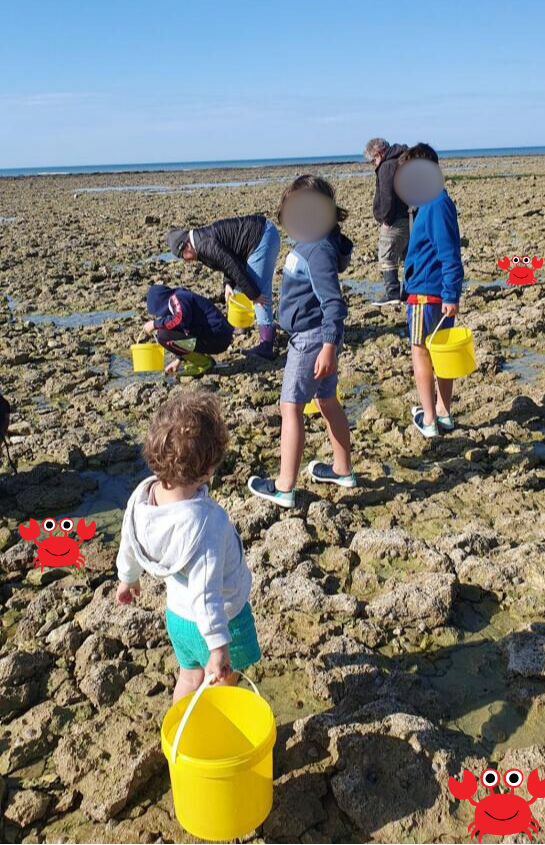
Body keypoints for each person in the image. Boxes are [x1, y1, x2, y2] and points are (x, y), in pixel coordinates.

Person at [115, 390, 260, 703]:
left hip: (178, 619)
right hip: (221, 621)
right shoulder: (208, 523)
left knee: (190, 676)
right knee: (220, 686)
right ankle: (209, 741)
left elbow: (129, 539)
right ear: (208, 470)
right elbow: (206, 593)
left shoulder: (143, 497)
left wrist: (128, 578)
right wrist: (219, 645)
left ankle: (178, 724)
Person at [248, 176, 356, 509]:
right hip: (311, 338)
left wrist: (328, 346)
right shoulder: (310, 244)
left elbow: (334, 303)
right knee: (326, 401)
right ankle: (342, 470)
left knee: (290, 407)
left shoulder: (320, 249)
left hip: (311, 340)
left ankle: (283, 487)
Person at [398, 143, 464, 438]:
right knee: (440, 353)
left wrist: (451, 294)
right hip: (433, 292)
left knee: (421, 352)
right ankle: (442, 412)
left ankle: (429, 419)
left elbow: (450, 254)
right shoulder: (431, 202)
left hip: (428, 294)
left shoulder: (435, 203)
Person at [166, 214, 280, 360]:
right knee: (242, 288)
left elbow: (231, 264)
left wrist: (254, 295)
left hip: (262, 237)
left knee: (258, 293)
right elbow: (229, 256)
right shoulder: (200, 243)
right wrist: (228, 284)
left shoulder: (204, 245)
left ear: (186, 245)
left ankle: (266, 345)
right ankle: (244, 325)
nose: (186, 261)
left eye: (183, 256)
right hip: (257, 237)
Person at [143, 284, 233, 375]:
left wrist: (155, 324)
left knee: (163, 335)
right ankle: (203, 361)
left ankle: (205, 363)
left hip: (218, 337)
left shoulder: (177, 299)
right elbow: (184, 330)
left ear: (159, 303)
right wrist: (178, 359)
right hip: (218, 335)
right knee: (169, 330)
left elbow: (180, 320)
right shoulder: (179, 297)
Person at [364, 137, 410, 306]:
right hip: (410, 215)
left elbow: (387, 196)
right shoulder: (403, 160)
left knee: (386, 254)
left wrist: (386, 219)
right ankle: (408, 291)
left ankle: (392, 293)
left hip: (396, 218)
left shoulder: (387, 166)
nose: (373, 164)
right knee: (408, 255)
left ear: (379, 153)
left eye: (373, 160)